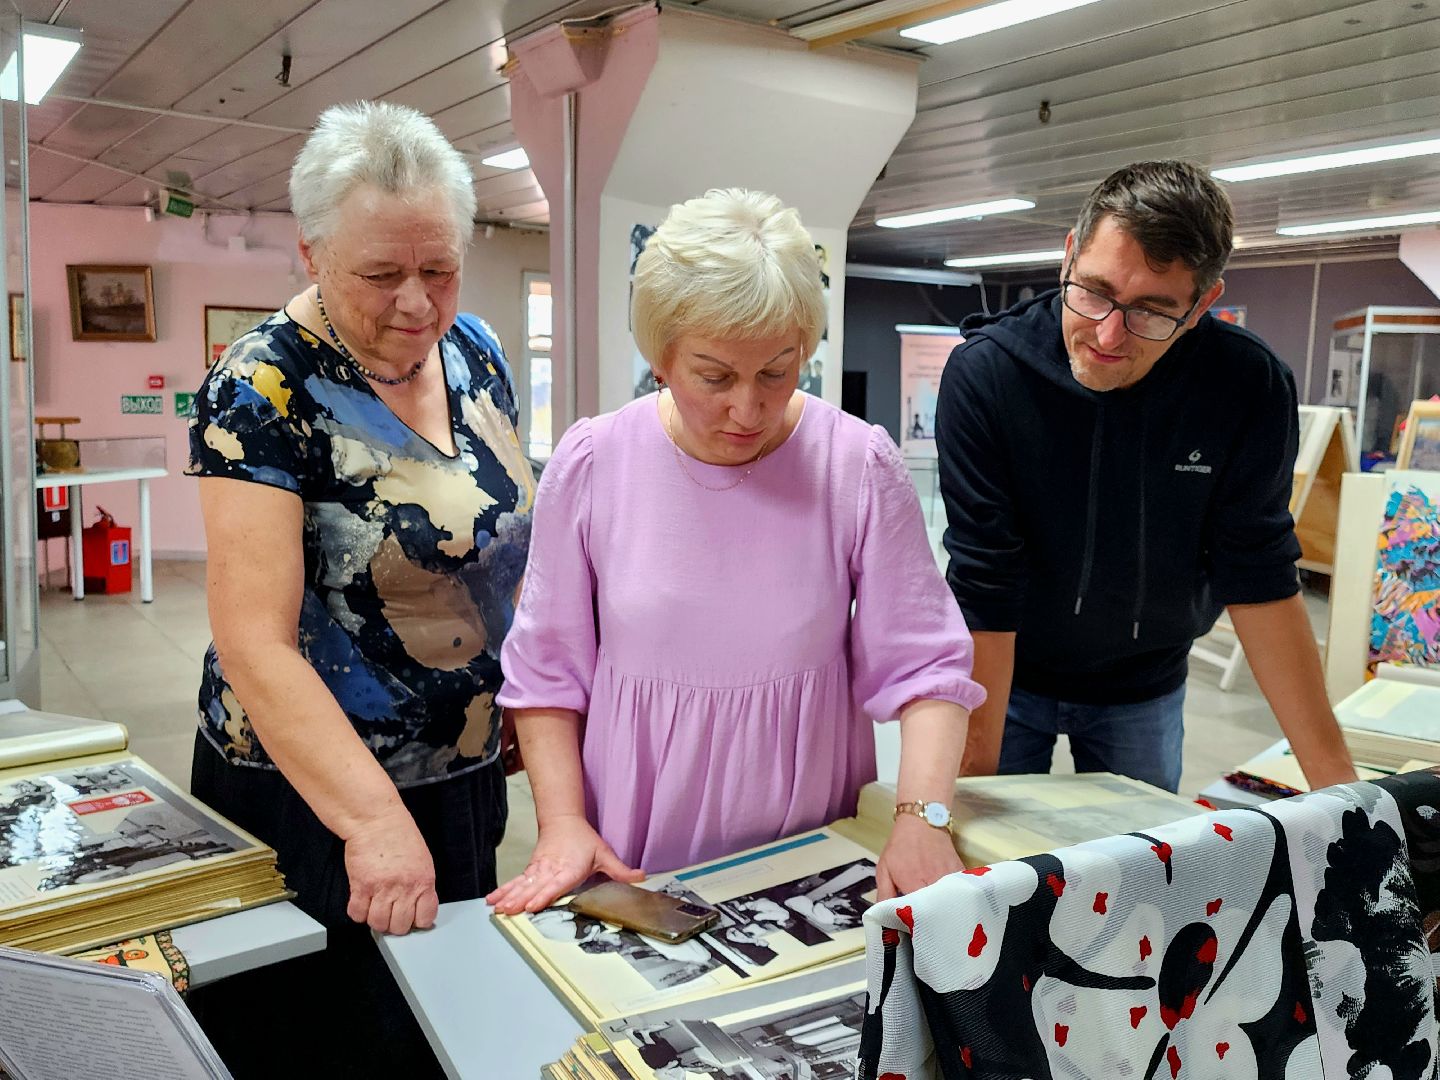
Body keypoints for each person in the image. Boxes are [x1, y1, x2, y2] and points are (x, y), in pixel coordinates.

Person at [488, 189, 985, 916]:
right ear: (660, 355)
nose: (747, 409)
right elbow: (546, 674)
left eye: (778, 373)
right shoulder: (595, 462)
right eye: (715, 377)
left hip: (812, 839)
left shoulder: (856, 464)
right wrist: (562, 822)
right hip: (633, 840)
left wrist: (921, 819)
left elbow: (928, 665)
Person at [184, 101, 533, 1078]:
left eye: (441, 268)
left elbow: (504, 530)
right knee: (318, 1045)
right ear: (312, 251)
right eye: (382, 275)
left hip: (460, 776)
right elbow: (255, 640)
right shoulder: (260, 387)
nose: (418, 303)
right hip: (310, 790)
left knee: (446, 1036)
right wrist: (372, 820)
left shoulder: (479, 355)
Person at [935, 160, 1357, 794]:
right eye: (1094, 291)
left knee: (1141, 873)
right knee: (991, 865)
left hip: (1144, 686)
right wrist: (959, 802)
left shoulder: (1247, 385)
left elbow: (1259, 573)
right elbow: (986, 581)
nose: (1108, 334)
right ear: (1069, 254)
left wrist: (1343, 794)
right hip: (1010, 672)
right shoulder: (989, 375)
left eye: (1152, 312)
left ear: (1201, 304)